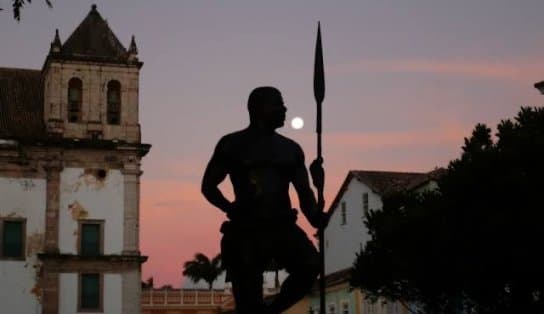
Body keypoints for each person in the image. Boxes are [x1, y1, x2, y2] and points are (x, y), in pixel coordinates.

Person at [201, 86, 327, 314]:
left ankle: (272, 311)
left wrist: (320, 190)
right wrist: (230, 208)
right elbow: (208, 187)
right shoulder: (232, 144)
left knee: (310, 264)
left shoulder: (291, 150)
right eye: (278, 104)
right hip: (246, 229)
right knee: (248, 302)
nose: (284, 109)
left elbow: (308, 202)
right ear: (258, 109)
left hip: (282, 226)